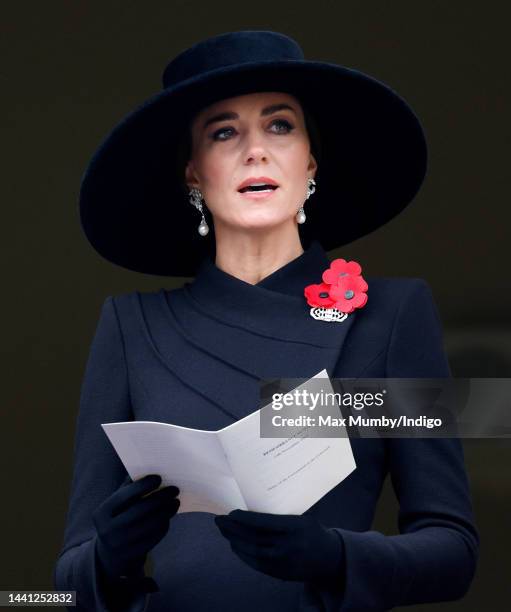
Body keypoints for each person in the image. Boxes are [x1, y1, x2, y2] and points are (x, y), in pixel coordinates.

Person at [53, 30, 479, 611]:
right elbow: (56, 590)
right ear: (193, 174)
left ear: (310, 163)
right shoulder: (130, 326)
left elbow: (454, 550)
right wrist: (108, 557)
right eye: (223, 132)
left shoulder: (392, 315)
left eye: (280, 125)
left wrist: (337, 555)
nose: (256, 150)